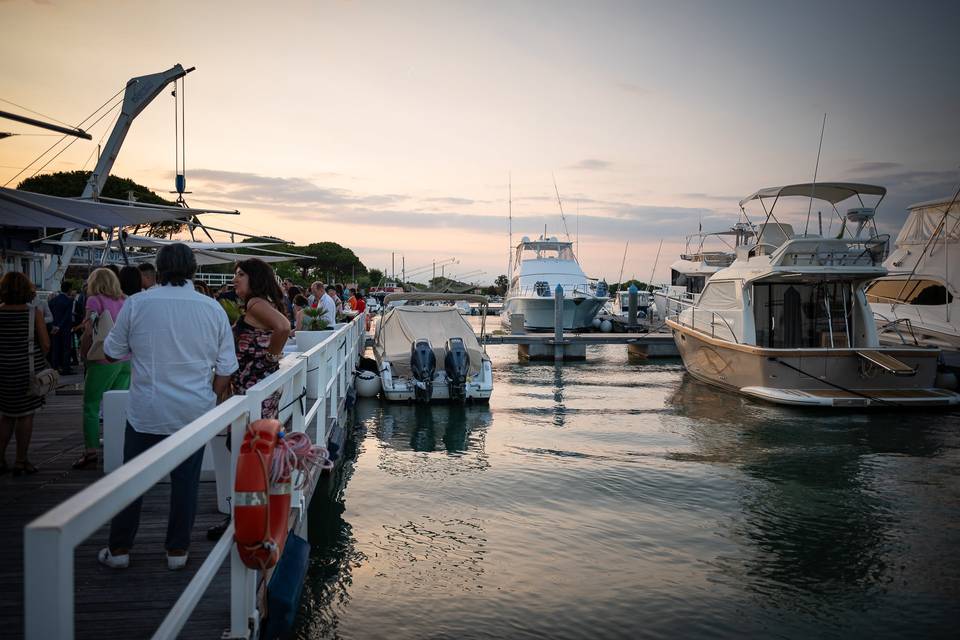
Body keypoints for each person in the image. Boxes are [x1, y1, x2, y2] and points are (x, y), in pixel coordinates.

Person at [98, 243, 238, 571]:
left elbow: (111, 353)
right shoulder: (212, 308)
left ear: (158, 270)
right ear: (191, 270)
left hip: (146, 410)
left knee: (132, 481)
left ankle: (119, 549)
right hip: (193, 411)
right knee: (186, 484)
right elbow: (226, 368)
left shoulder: (137, 304)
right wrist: (210, 399)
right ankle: (177, 552)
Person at [74, 268, 130, 469]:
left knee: (91, 406)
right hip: (126, 359)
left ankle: (90, 452)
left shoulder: (94, 300)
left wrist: (83, 351)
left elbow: (90, 330)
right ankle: (117, 449)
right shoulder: (125, 300)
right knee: (117, 406)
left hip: (103, 358)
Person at [0, 273, 51, 476]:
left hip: (3, 369)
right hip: (27, 369)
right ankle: (21, 460)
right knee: (25, 415)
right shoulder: (33, 313)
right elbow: (45, 344)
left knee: (6, 415)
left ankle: (1, 458)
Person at [231, 258, 291, 419]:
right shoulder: (262, 302)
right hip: (256, 385)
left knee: (252, 438)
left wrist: (270, 358)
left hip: (254, 385)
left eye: (240, 275)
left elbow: (284, 327)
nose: (234, 280)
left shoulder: (255, 303)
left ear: (255, 277)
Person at [48, 280, 75, 374]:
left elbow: (49, 314)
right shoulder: (69, 301)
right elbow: (67, 316)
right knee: (66, 348)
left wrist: (54, 326)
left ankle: (55, 368)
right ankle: (65, 368)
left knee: (55, 348)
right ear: (69, 289)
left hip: (54, 328)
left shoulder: (53, 300)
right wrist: (60, 326)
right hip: (65, 328)